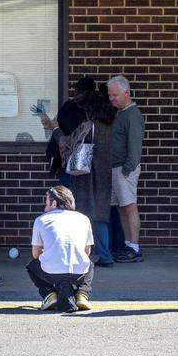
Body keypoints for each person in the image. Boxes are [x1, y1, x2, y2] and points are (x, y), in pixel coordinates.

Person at [27, 186, 95, 313]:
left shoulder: (41, 220)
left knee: (32, 266)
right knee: (89, 264)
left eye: (46, 204)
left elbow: (35, 255)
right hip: (78, 273)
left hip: (51, 273)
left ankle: (50, 295)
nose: (45, 208)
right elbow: (87, 252)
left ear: (54, 203)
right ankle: (82, 295)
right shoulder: (84, 219)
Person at [68, 92, 115, 267]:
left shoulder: (89, 126)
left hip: (87, 177)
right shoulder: (110, 126)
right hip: (104, 175)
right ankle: (105, 255)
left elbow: (72, 143)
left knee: (84, 216)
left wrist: (56, 130)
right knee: (100, 217)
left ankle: (88, 255)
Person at [107, 75, 145, 263]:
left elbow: (135, 146)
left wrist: (127, 169)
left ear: (126, 93)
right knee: (122, 208)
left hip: (124, 168)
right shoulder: (121, 113)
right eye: (110, 95)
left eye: (114, 95)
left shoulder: (132, 115)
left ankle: (134, 247)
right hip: (117, 167)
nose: (111, 99)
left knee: (129, 207)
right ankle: (128, 244)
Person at [42, 76, 98, 185]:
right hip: (63, 160)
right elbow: (59, 125)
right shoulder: (68, 106)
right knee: (67, 191)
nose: (75, 93)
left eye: (79, 91)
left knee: (77, 191)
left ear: (88, 93)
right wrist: (51, 126)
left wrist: (56, 128)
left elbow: (77, 137)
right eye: (75, 90)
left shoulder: (93, 111)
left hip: (82, 161)